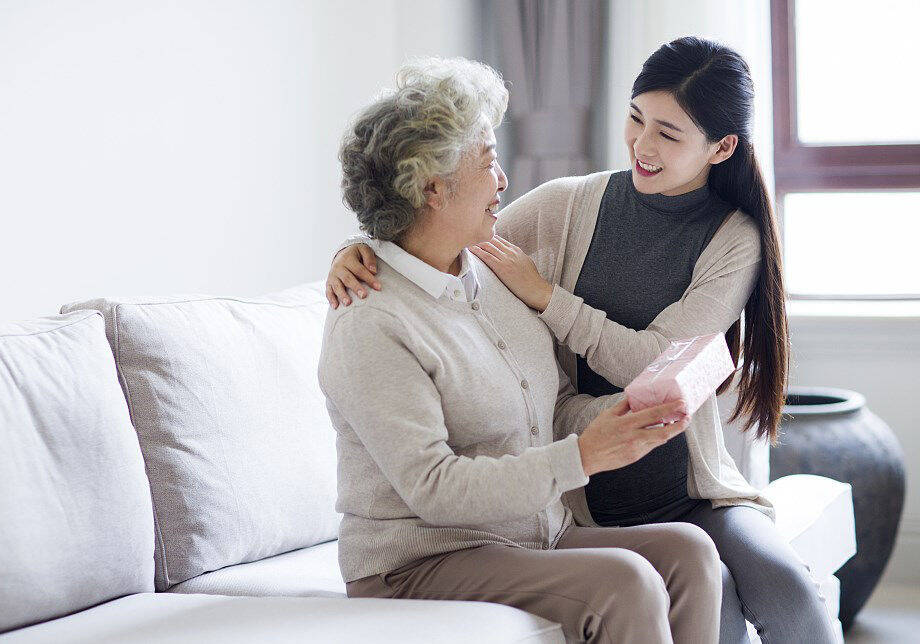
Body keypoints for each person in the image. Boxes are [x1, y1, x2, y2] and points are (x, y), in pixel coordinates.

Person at [326, 38, 837, 644]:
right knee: (632, 580)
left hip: (619, 498)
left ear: (721, 148)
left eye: (669, 134)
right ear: (434, 186)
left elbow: (576, 392)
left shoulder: (491, 280)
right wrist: (351, 250)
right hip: (450, 542)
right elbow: (404, 229)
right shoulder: (386, 312)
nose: (504, 179)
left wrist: (617, 418)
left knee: (703, 557)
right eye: (637, 119)